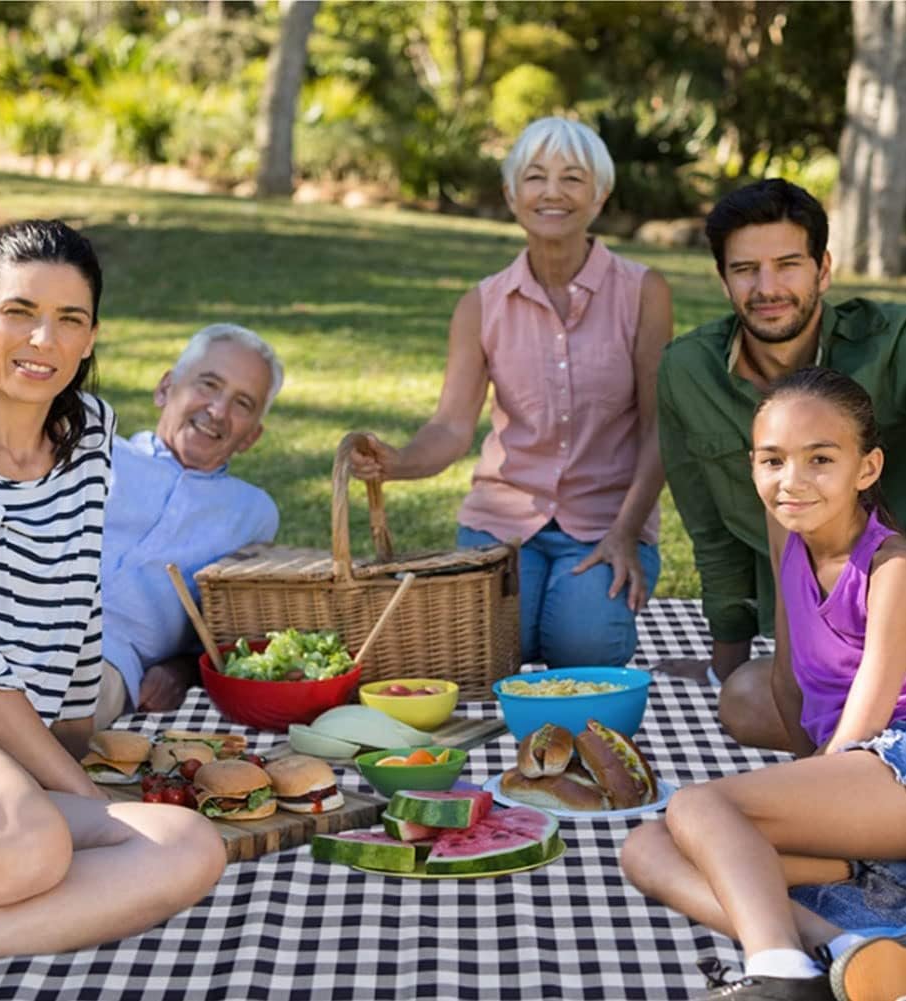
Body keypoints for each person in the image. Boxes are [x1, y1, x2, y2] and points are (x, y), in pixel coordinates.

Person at [0, 220, 225, 976]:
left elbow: (78, 604)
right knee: (29, 836)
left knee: (184, 844)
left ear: (90, 339)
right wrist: (74, 786)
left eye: (69, 319)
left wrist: (77, 741)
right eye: (19, 310)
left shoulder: (90, 441)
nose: (42, 338)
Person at [621, 368, 906, 1001]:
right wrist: (802, 794)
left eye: (820, 459)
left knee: (698, 806)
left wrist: (811, 801)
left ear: (867, 468)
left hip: (893, 764)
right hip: (860, 794)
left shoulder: (894, 568)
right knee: (650, 846)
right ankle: (840, 949)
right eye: (772, 460)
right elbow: (789, 671)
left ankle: (778, 974)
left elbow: (866, 718)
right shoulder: (788, 532)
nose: (792, 481)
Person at [349, 116, 672, 668]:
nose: (552, 192)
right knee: (486, 653)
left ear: (600, 195)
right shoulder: (481, 304)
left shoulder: (644, 293)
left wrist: (626, 533)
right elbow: (451, 427)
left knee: (585, 648)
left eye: (572, 178)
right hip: (500, 525)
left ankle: (577, 608)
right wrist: (396, 463)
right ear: (510, 194)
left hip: (605, 524)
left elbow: (659, 428)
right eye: (535, 177)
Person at [656, 179, 906, 750]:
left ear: (823, 270)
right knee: (741, 698)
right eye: (745, 269)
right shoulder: (687, 370)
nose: (767, 288)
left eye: (788, 264)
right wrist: (725, 657)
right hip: (818, 633)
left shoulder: (894, 342)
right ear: (723, 280)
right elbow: (710, 530)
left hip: (894, 594)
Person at [95, 323, 283, 726]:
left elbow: (229, 625)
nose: (217, 411)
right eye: (208, 384)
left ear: (252, 437)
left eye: (242, 404)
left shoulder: (251, 513)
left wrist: (182, 669)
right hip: (18, 621)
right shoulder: (97, 453)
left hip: (103, 663)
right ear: (165, 389)